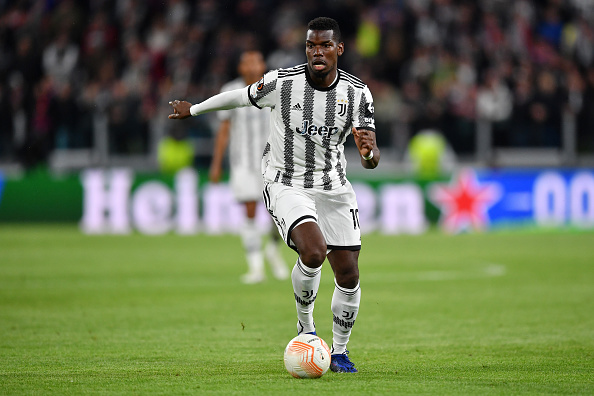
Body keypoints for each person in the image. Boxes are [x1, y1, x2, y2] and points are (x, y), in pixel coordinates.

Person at [169, 17, 380, 373]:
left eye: (325, 45)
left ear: (339, 49)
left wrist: (369, 154)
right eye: (312, 45)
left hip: (334, 188)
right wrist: (195, 109)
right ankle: (306, 327)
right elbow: (238, 97)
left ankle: (340, 351)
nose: (318, 52)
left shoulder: (358, 94)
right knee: (313, 251)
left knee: (349, 275)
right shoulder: (282, 83)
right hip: (286, 182)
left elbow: (372, 158)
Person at [209, 50, 289, 284]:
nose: (253, 67)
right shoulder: (229, 91)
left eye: (257, 62)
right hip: (242, 162)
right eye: (248, 62)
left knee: (279, 213)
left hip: (273, 162)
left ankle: (273, 251)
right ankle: (255, 267)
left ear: (263, 64)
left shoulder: (274, 87)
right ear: (240, 67)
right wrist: (216, 164)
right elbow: (224, 130)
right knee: (250, 210)